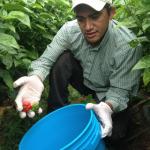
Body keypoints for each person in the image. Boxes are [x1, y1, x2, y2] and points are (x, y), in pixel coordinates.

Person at [13, 0, 142, 148]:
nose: (87, 27)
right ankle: (57, 112)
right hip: (87, 80)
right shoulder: (70, 30)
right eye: (81, 18)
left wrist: (108, 106)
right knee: (63, 60)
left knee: (115, 135)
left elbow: (120, 91)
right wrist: (36, 77)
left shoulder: (128, 45)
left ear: (111, 13)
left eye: (95, 16)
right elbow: (45, 60)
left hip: (111, 90)